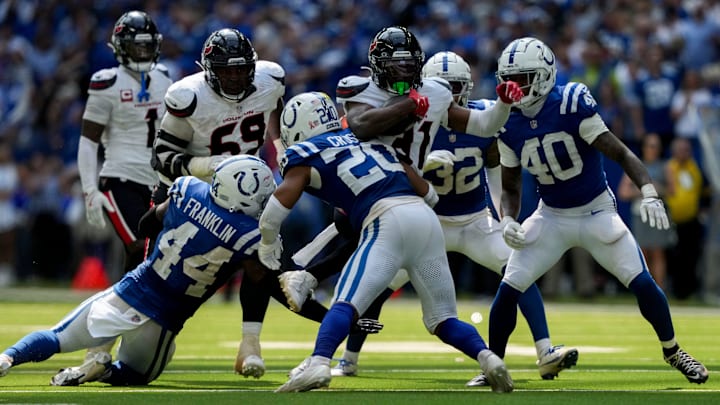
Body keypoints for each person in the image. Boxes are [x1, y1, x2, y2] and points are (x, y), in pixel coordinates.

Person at [330, 51, 577, 386]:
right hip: (428, 223)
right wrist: (425, 164)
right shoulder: (410, 119)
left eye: (458, 87)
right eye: (446, 87)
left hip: (475, 221)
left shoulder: (478, 118)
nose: (453, 94)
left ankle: (545, 350)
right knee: (379, 284)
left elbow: (495, 172)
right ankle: (349, 358)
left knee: (518, 270)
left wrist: (502, 218)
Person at [488, 37, 709, 384]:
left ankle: (673, 351)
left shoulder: (571, 102)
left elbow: (620, 153)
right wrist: (507, 219)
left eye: (524, 78)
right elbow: (511, 186)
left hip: (596, 212)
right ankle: (493, 367)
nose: (515, 87)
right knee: (508, 288)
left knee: (643, 284)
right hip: (551, 215)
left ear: (545, 75)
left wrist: (649, 191)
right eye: (509, 79)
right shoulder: (507, 122)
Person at [264, 92, 513, 393]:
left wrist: (267, 242)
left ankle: (319, 363)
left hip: (385, 220)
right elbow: (430, 195)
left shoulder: (307, 151)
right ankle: (488, 359)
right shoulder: (371, 140)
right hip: (425, 219)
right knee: (442, 318)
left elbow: (281, 200)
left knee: (346, 302)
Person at [278, 25, 522, 312]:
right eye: (396, 66)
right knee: (358, 239)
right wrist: (408, 106)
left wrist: (504, 105)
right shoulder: (362, 90)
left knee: (377, 273)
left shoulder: (434, 93)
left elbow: (483, 125)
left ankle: (315, 288)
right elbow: (361, 127)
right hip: (366, 183)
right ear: (379, 67)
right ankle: (308, 280)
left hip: (403, 190)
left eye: (408, 65)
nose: (403, 73)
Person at [0, 156, 277, 386]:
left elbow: (145, 227)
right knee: (136, 375)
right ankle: (104, 371)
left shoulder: (187, 190)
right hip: (162, 321)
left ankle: (7, 358)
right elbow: (263, 280)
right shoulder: (250, 235)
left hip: (131, 290)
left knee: (57, 336)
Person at [151, 28, 328, 379]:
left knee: (261, 259)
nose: (234, 77)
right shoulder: (189, 96)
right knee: (158, 273)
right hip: (192, 193)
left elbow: (273, 116)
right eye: (226, 70)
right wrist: (205, 166)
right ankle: (118, 340)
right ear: (209, 69)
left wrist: (279, 150)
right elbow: (162, 157)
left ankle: (251, 343)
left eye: (240, 69)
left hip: (246, 191)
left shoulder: (270, 80)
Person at [63, 9, 172, 386]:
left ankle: (112, 335)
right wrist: (90, 187)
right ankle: (101, 342)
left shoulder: (165, 78)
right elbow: (88, 140)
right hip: (119, 178)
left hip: (156, 181)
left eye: (147, 45)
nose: (142, 52)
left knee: (150, 257)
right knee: (140, 246)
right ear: (120, 47)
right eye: (135, 44)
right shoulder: (105, 82)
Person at [617, 133, 675, 290]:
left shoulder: (665, 166)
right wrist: (645, 190)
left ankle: (660, 289)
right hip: (640, 214)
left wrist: (657, 189)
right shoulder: (635, 165)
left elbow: (672, 190)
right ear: (644, 147)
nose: (653, 149)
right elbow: (623, 192)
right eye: (650, 145)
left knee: (658, 252)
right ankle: (647, 290)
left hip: (658, 215)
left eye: (656, 146)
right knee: (643, 253)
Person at [664, 137, 708, 299]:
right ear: (675, 151)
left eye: (687, 150)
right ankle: (675, 290)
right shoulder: (669, 167)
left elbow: (704, 189)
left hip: (691, 221)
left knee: (691, 256)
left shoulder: (694, 168)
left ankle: (689, 290)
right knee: (675, 257)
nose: (685, 153)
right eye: (682, 150)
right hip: (671, 221)